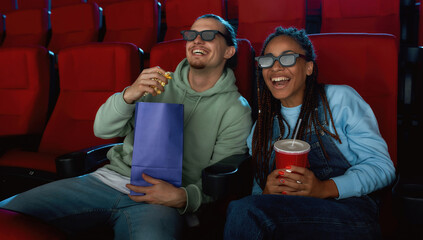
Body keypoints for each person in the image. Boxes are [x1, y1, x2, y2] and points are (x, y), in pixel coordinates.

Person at [0, 14, 252, 239]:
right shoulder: (156, 81)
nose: (197, 40)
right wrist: (128, 95)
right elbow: (102, 129)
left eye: (208, 35)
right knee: (8, 215)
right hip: (109, 180)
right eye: (191, 35)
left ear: (229, 51)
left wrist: (184, 198)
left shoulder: (236, 109)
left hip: (163, 199)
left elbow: (221, 177)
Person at [223, 27, 396, 239]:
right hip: (287, 216)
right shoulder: (263, 125)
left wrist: (324, 188)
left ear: (309, 68)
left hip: (349, 213)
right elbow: (258, 196)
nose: (275, 67)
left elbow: (383, 168)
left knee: (243, 210)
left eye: (287, 59)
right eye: (267, 60)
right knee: (245, 210)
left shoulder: (340, 100)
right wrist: (267, 192)